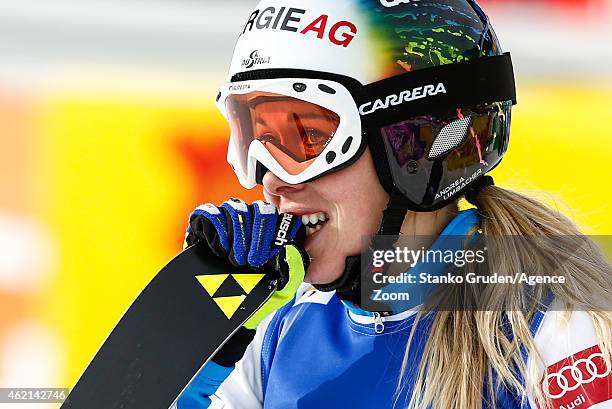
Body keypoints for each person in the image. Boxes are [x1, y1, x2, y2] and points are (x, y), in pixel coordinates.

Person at [175, 1, 612, 408]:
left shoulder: (555, 329)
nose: (270, 179)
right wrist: (201, 337)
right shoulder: (279, 335)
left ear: (414, 149)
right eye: (254, 136)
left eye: (306, 137)